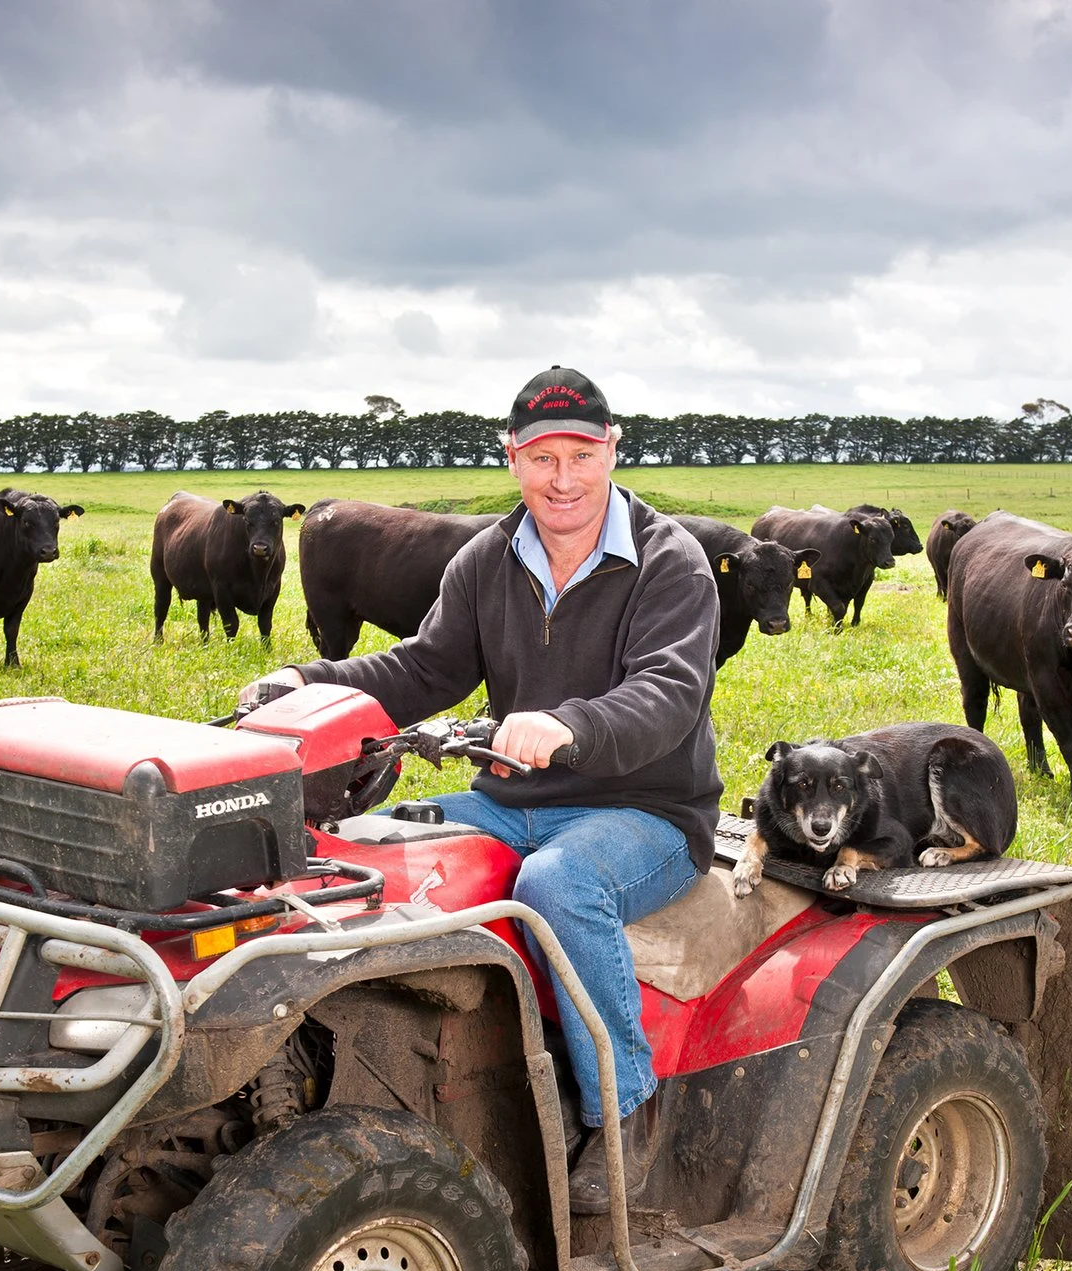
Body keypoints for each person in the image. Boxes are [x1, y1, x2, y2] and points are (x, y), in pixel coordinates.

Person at [237, 367, 720, 1213]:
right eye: (542, 458)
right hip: (510, 801)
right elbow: (425, 668)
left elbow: (668, 695)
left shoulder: (670, 563)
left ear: (612, 451)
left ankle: (627, 1109)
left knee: (558, 884)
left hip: (647, 811)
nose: (562, 478)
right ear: (512, 459)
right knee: (360, 852)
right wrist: (306, 679)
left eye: (580, 455)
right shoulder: (487, 560)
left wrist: (569, 724)